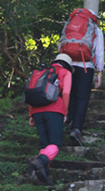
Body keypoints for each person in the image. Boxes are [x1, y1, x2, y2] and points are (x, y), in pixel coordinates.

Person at [59, 8, 104, 146]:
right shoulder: (95, 29)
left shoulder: (69, 24)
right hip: (86, 66)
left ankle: (69, 121)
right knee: (82, 98)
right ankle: (76, 129)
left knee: (69, 94)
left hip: (67, 64)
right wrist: (99, 72)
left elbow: (61, 43)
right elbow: (99, 50)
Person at [28, 54, 73, 186]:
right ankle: (40, 161)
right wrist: (65, 111)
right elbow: (66, 93)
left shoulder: (41, 72)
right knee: (55, 143)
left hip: (37, 110)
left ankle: (43, 175)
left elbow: (32, 92)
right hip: (54, 110)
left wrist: (31, 114)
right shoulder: (65, 73)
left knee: (45, 144)